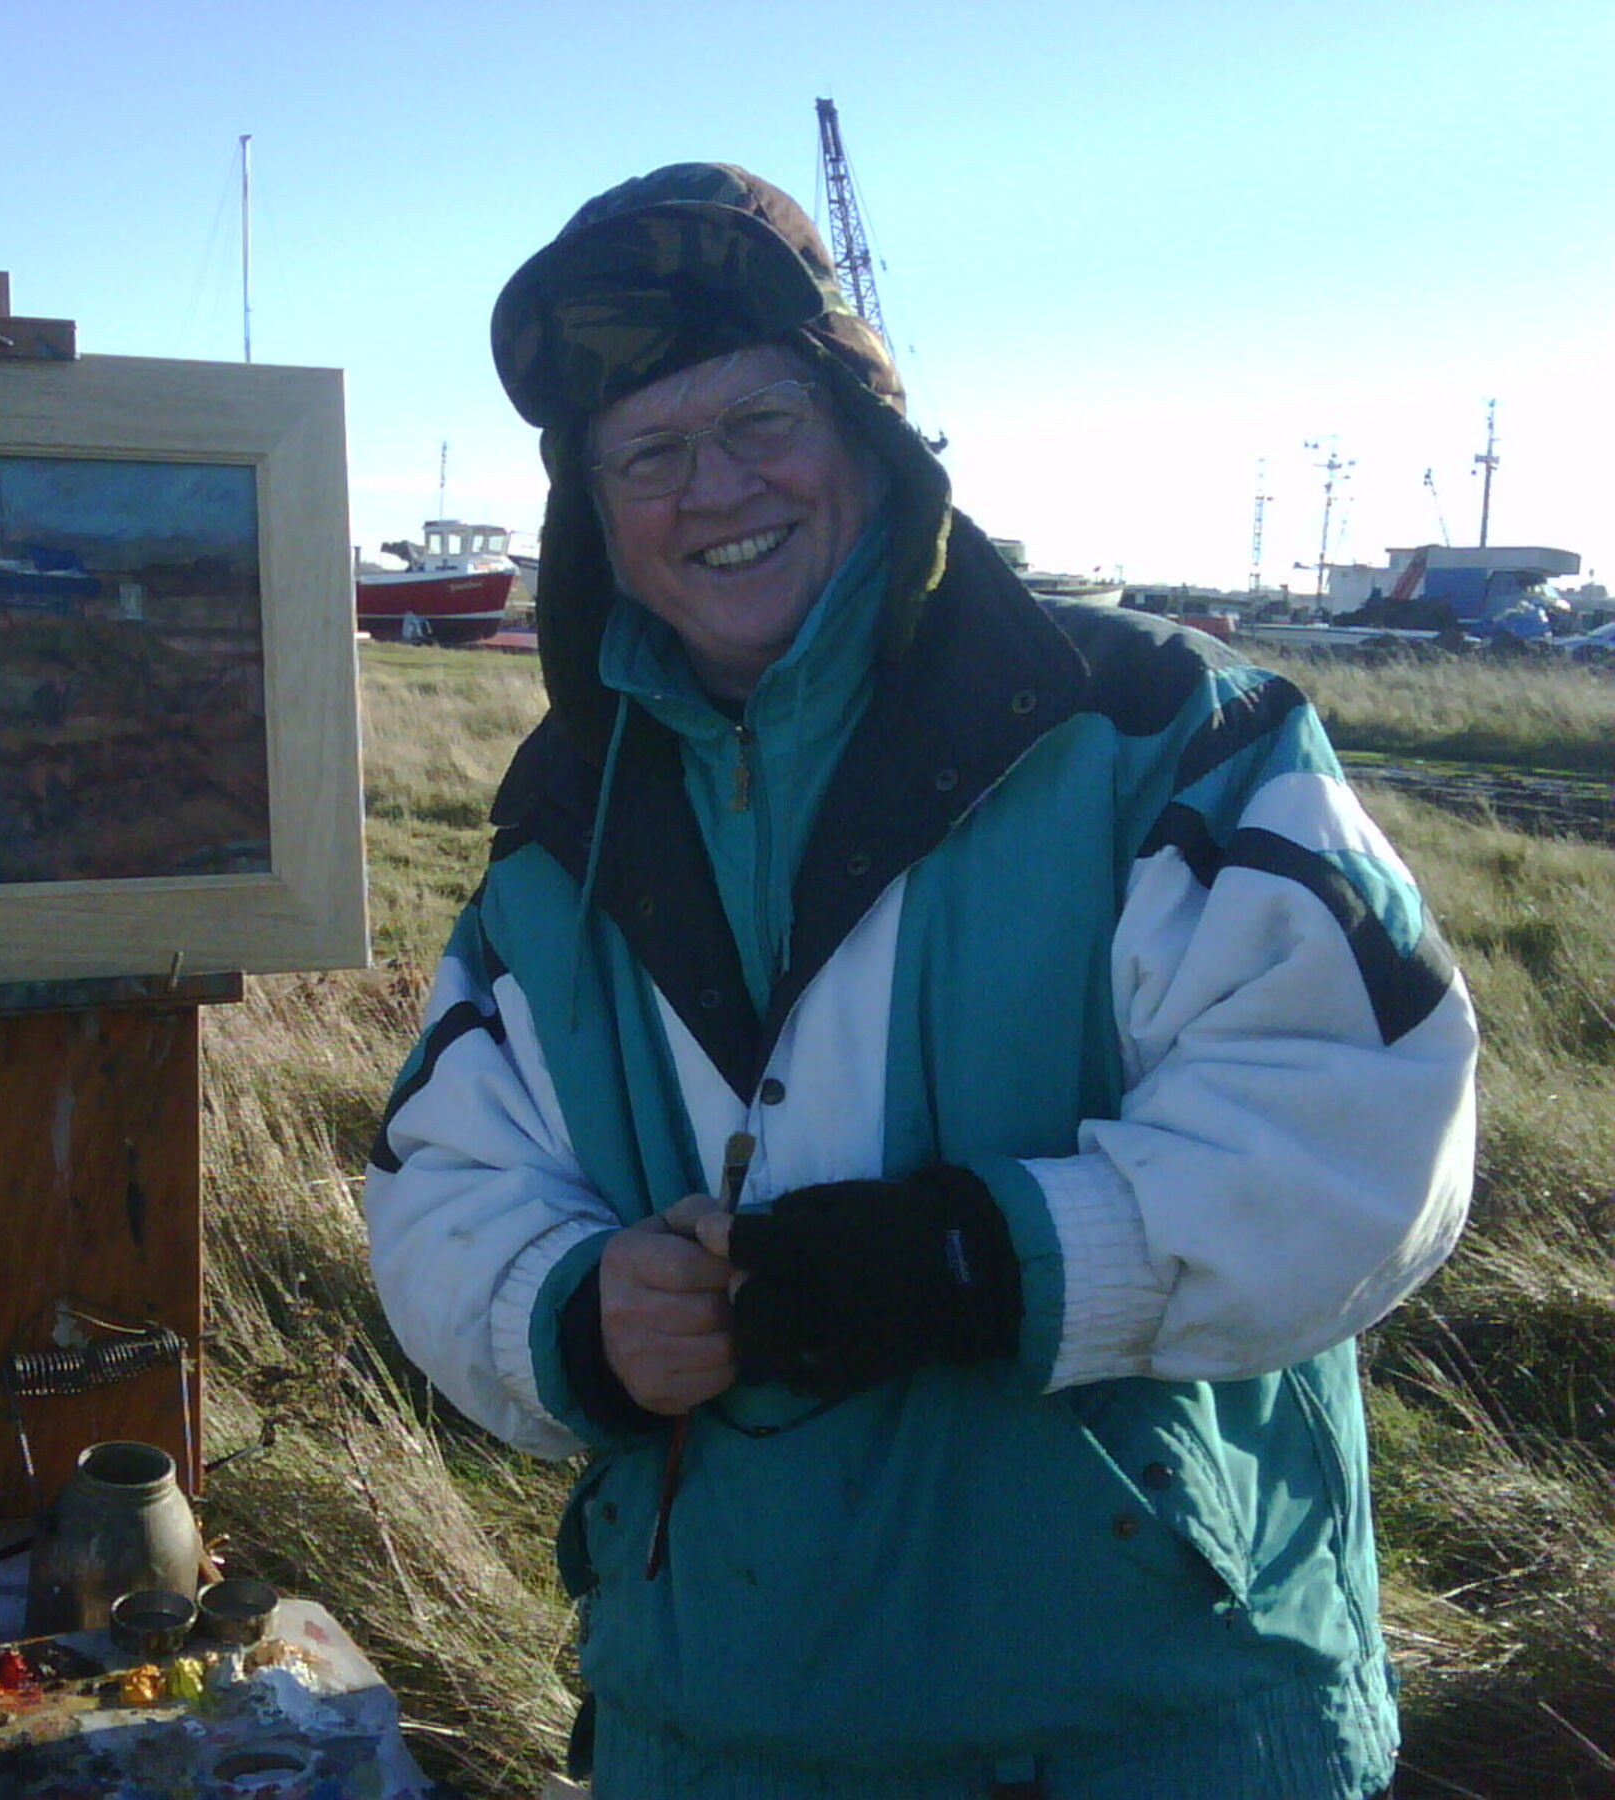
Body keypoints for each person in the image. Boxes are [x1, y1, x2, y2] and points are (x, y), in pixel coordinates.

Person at [361, 163, 1476, 1800]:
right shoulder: (557, 835)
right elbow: (443, 1188)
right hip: (713, 1739)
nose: (715, 486)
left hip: (1164, 1732)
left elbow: (1370, 1122)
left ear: (866, 435)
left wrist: (989, 1262)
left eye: (759, 421)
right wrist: (577, 1323)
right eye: (649, 456)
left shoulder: (1159, 728)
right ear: (593, 515)